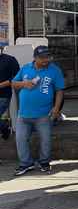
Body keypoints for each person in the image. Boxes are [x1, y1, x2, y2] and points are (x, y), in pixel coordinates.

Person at [11, 46, 64, 176]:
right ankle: (26, 164)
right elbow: (13, 83)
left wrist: (56, 108)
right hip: (23, 114)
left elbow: (59, 90)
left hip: (44, 114)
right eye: (42, 57)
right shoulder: (25, 68)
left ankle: (44, 162)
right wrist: (24, 84)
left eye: (48, 57)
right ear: (35, 58)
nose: (46, 60)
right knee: (21, 139)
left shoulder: (54, 70)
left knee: (45, 140)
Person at [0, 47, 20, 141]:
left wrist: (2, 84)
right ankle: (4, 126)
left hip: (3, 95)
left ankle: (4, 126)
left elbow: (17, 76)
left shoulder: (10, 60)